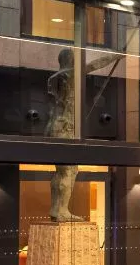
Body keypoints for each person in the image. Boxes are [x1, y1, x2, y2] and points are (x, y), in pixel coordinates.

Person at [45, 47, 121, 221]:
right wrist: (116, 56)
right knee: (69, 170)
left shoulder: (53, 78)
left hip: (54, 126)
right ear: (71, 60)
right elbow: (95, 64)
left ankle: (56, 208)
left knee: (61, 171)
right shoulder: (69, 74)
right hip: (65, 127)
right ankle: (62, 210)